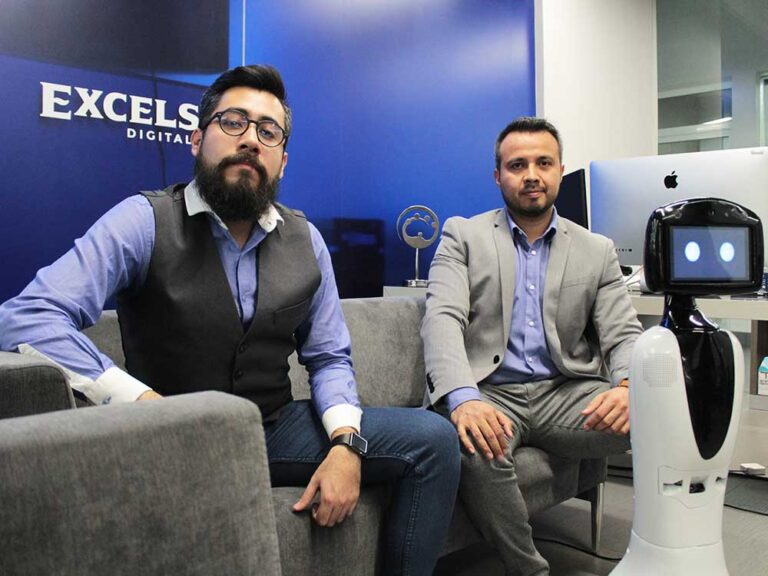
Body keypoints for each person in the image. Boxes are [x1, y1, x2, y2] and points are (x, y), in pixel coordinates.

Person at [0, 64, 460, 576]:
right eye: (233, 122)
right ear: (198, 139)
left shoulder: (305, 240)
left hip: (274, 425)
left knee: (434, 439)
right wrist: (144, 406)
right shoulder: (143, 220)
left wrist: (345, 444)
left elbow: (330, 357)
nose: (250, 140)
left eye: (268, 131)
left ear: (282, 161)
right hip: (169, 435)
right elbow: (27, 317)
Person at [421, 117, 643, 575]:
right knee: (473, 443)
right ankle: (530, 569)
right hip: (490, 391)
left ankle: (659, 548)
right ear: (497, 176)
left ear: (560, 170)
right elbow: (442, 319)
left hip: (566, 392)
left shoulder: (596, 249)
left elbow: (623, 334)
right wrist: (462, 398)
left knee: (654, 413)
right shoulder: (463, 236)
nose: (531, 175)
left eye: (543, 163)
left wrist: (626, 387)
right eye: (517, 165)